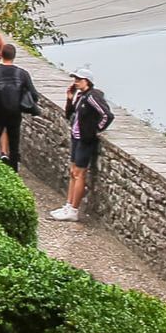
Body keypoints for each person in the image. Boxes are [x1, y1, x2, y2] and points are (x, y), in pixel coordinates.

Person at [55, 68, 114, 222]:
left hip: (85, 140)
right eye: (75, 79)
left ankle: (74, 210)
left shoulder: (92, 97)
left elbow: (107, 115)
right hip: (76, 137)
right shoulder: (80, 96)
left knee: (79, 173)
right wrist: (69, 99)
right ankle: (68, 204)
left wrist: (95, 129)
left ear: (87, 81)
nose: (76, 82)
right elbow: (70, 115)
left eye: (79, 79)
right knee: (73, 171)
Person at [0, 39, 39, 171]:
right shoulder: (22, 74)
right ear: (14, 56)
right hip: (15, 113)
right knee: (14, 145)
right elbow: (34, 95)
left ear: (1, 54)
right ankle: (14, 172)